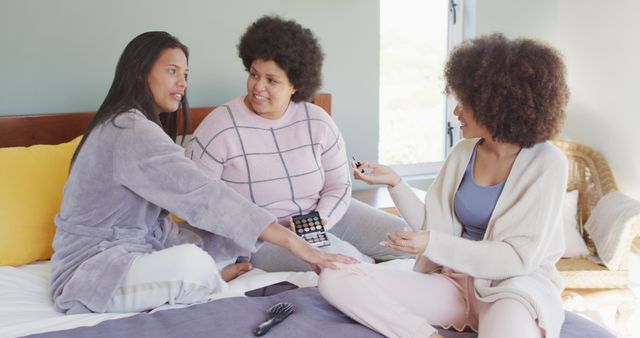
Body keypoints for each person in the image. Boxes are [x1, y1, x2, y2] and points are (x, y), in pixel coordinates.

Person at [50, 31, 355, 315]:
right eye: (172, 71)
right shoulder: (129, 130)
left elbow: (164, 222)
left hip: (131, 253)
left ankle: (208, 276)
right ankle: (211, 280)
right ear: (140, 73)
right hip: (91, 274)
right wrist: (294, 243)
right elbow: (206, 196)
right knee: (193, 262)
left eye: (185, 74)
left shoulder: (135, 125)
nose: (182, 83)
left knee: (215, 247)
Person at [318, 33, 570, 338]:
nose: (456, 112)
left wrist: (430, 243)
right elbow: (433, 228)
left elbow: (516, 258)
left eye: (464, 103)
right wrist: (395, 182)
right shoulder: (464, 152)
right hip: (452, 283)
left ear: (498, 106)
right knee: (335, 277)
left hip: (510, 288)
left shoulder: (547, 163)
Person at [186, 15, 410, 272]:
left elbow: (338, 185)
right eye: (254, 74)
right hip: (263, 238)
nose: (258, 87)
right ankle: (367, 270)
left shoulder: (318, 121)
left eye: (272, 80)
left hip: (323, 217)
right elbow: (199, 203)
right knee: (344, 264)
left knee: (409, 239)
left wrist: (320, 221)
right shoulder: (219, 128)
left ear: (295, 85)